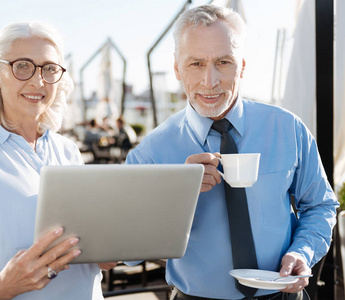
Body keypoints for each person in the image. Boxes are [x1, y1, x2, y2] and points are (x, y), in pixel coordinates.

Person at [125, 5, 338, 300]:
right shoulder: (149, 153)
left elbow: (320, 206)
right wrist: (174, 196)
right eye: (196, 63)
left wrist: (303, 251)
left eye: (223, 62)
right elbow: (130, 255)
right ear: (176, 68)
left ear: (243, 66)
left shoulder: (289, 129)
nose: (210, 81)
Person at [0, 21, 115, 300]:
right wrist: (6, 284)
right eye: (22, 65)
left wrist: (105, 253)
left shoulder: (68, 151)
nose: (38, 81)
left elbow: (86, 246)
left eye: (49, 68)